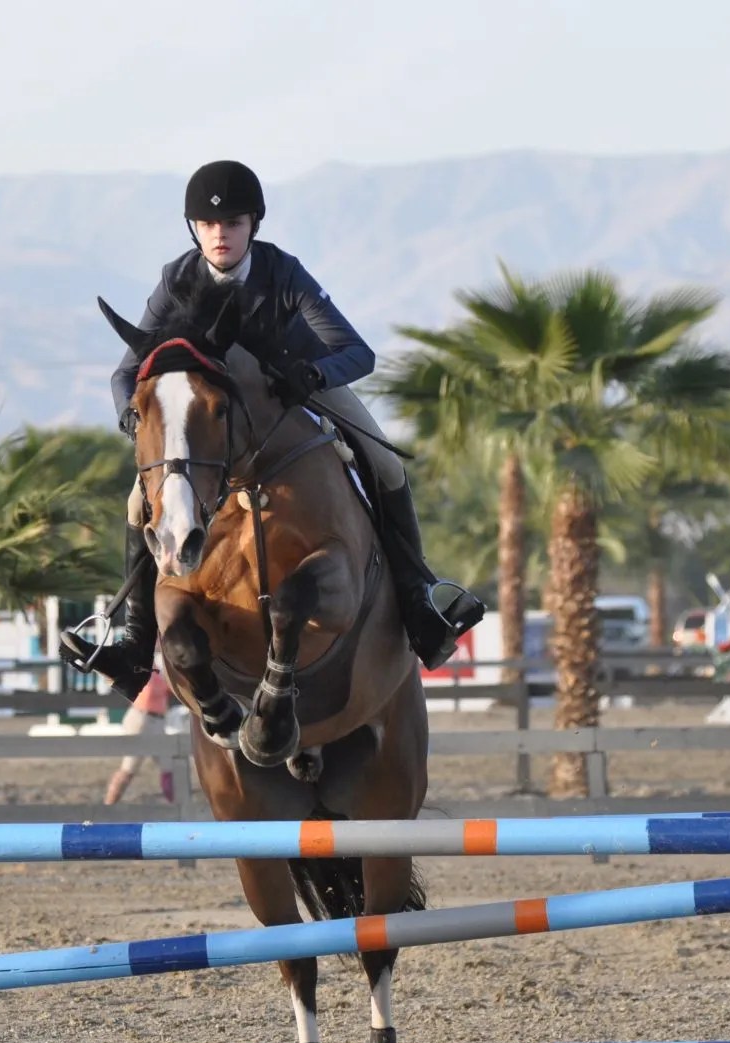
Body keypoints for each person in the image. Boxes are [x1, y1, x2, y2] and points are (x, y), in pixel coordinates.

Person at [60, 159, 484, 700]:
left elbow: (358, 353)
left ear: (253, 225)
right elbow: (126, 373)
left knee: (385, 464)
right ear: (194, 229)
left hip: (294, 389)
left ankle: (421, 603)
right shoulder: (176, 279)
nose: (220, 234)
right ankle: (135, 645)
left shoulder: (283, 272)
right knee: (138, 503)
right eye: (209, 224)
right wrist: (131, 414)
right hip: (215, 414)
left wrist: (313, 373)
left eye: (233, 223)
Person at [102, 665, 185, 805]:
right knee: (129, 768)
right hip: (142, 719)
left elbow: (170, 689)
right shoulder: (141, 667)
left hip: (158, 721)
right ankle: (109, 804)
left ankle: (175, 804)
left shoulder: (157, 669)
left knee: (168, 765)